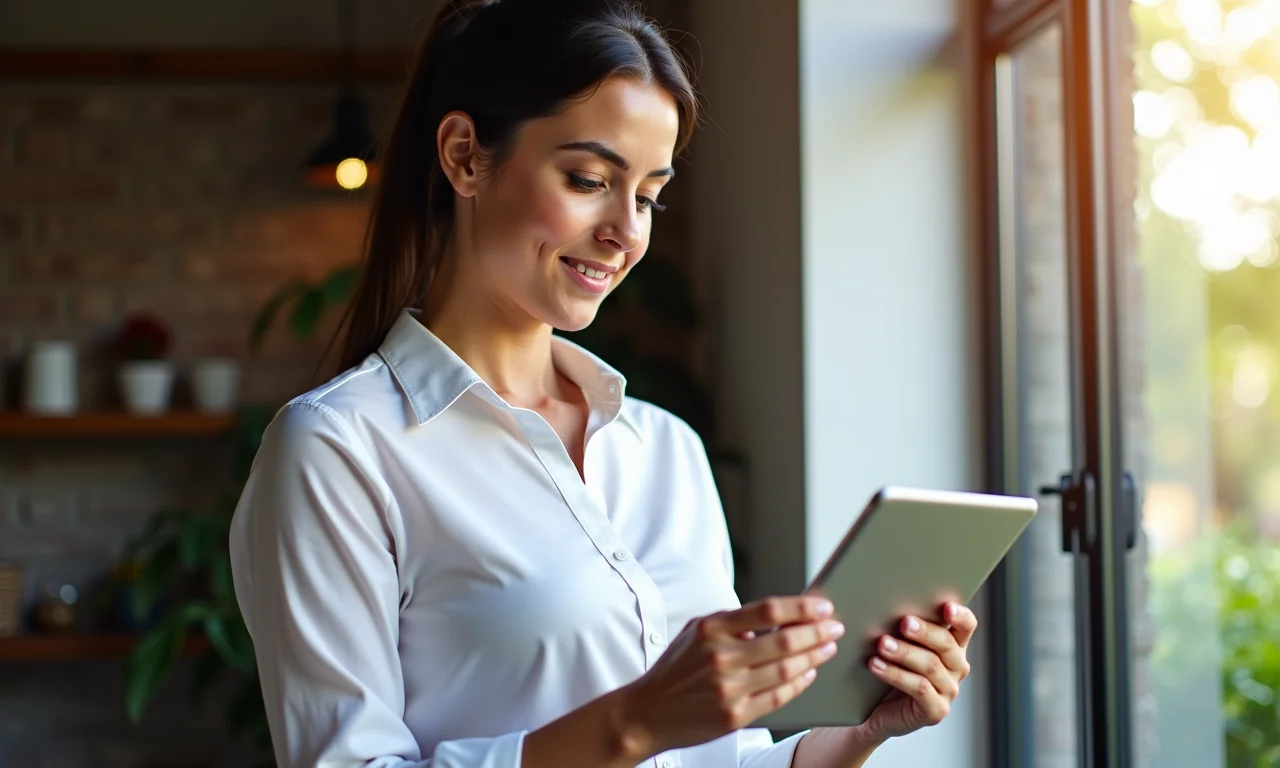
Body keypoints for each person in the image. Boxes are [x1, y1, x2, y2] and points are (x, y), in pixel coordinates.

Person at [228, 1, 979, 766]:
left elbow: (717, 759)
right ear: (463, 157)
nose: (627, 231)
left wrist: (858, 735)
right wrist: (633, 725)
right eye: (589, 178)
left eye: (650, 195)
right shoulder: (337, 449)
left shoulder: (665, 450)